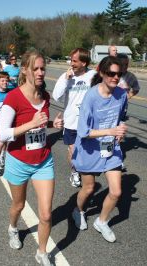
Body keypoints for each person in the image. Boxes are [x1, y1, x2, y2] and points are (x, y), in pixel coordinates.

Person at [0, 50, 63, 266]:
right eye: (35, 68)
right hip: (18, 161)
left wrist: (53, 124)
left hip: (43, 161)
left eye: (43, 68)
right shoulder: (13, 97)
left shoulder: (44, 96)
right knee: (19, 205)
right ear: (24, 70)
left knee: (45, 214)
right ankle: (13, 228)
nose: (40, 72)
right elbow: (2, 134)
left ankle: (42, 253)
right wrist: (30, 124)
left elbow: (41, 123)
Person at [71, 56, 128, 243]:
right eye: (111, 73)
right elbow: (83, 132)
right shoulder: (91, 97)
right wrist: (110, 130)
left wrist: (120, 131)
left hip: (111, 148)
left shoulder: (122, 94)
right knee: (88, 188)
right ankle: (78, 210)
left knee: (117, 192)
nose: (115, 77)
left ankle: (102, 221)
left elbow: (121, 117)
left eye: (119, 74)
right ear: (102, 73)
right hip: (89, 149)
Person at [52, 48, 96, 187]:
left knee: (87, 151)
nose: (71, 63)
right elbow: (56, 97)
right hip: (71, 122)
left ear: (84, 62)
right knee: (73, 150)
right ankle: (74, 171)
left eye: (75, 61)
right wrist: (66, 80)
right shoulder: (66, 76)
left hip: (89, 122)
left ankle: (86, 170)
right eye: (71, 60)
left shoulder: (93, 75)